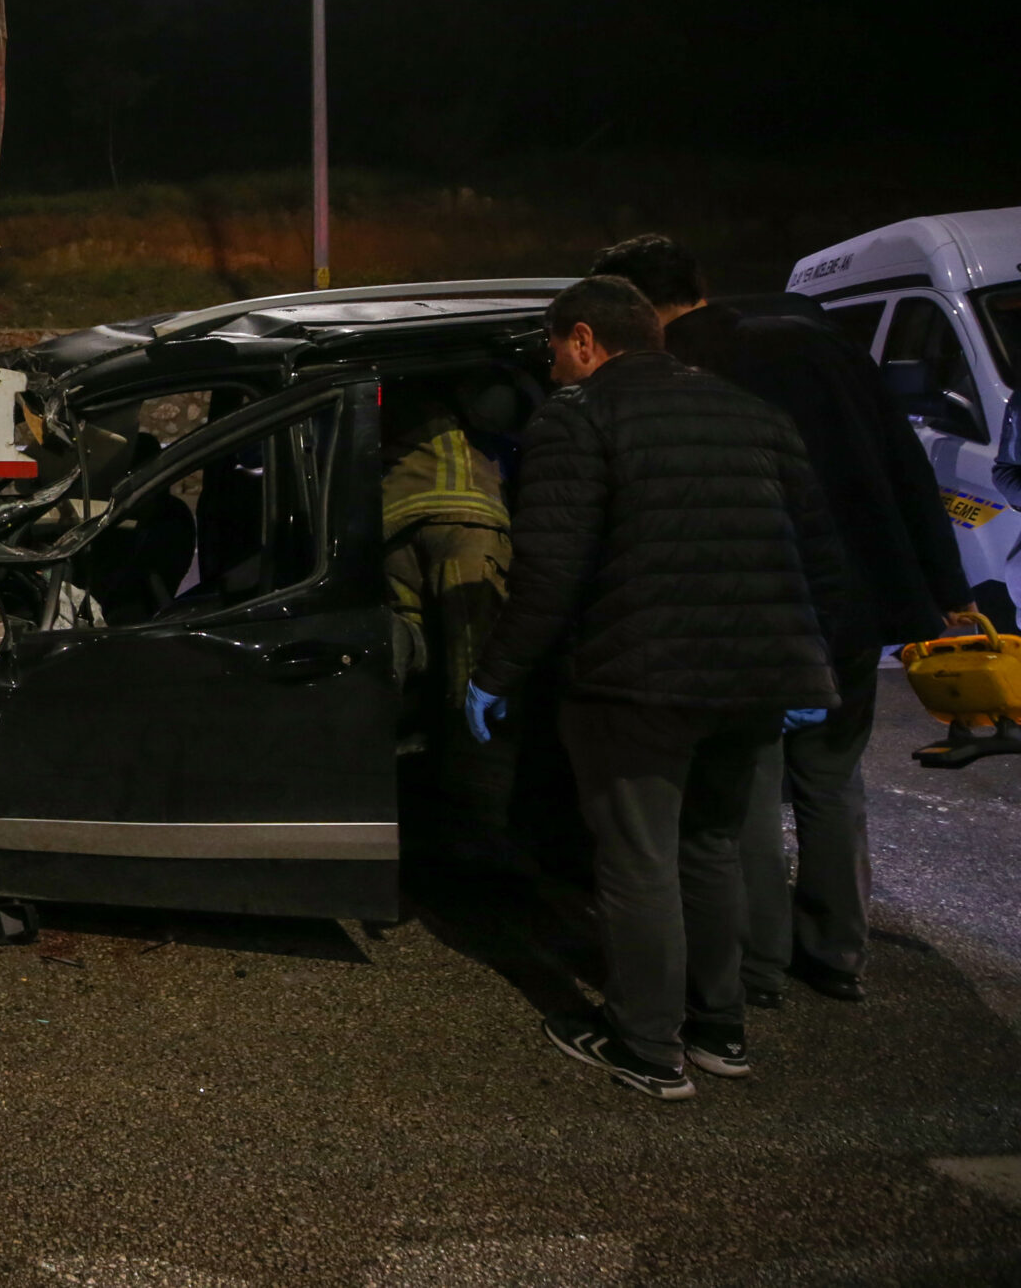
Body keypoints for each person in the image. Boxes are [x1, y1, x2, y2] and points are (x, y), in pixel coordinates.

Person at [469, 276, 846, 1100]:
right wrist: (815, 667)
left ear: (583, 339)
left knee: (638, 858)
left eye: (553, 351)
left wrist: (496, 673)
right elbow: (818, 553)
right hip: (756, 677)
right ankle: (719, 1030)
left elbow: (550, 571)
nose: (552, 368)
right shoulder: (752, 413)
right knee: (710, 847)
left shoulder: (577, 417)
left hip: (636, 679)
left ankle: (646, 1046)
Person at [590, 234, 970, 1005]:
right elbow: (905, 466)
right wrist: (945, 587)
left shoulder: (681, 372)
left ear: (633, 305)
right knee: (832, 777)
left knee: (751, 789)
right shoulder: (818, 343)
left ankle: (753, 962)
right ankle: (836, 951)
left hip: (760, 607)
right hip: (854, 602)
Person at [380, 377, 516, 851]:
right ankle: (478, 832)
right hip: (465, 515)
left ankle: (407, 814)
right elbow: (495, 411)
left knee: (411, 665)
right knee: (477, 674)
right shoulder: (464, 368)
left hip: (395, 518)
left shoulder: (388, 374)